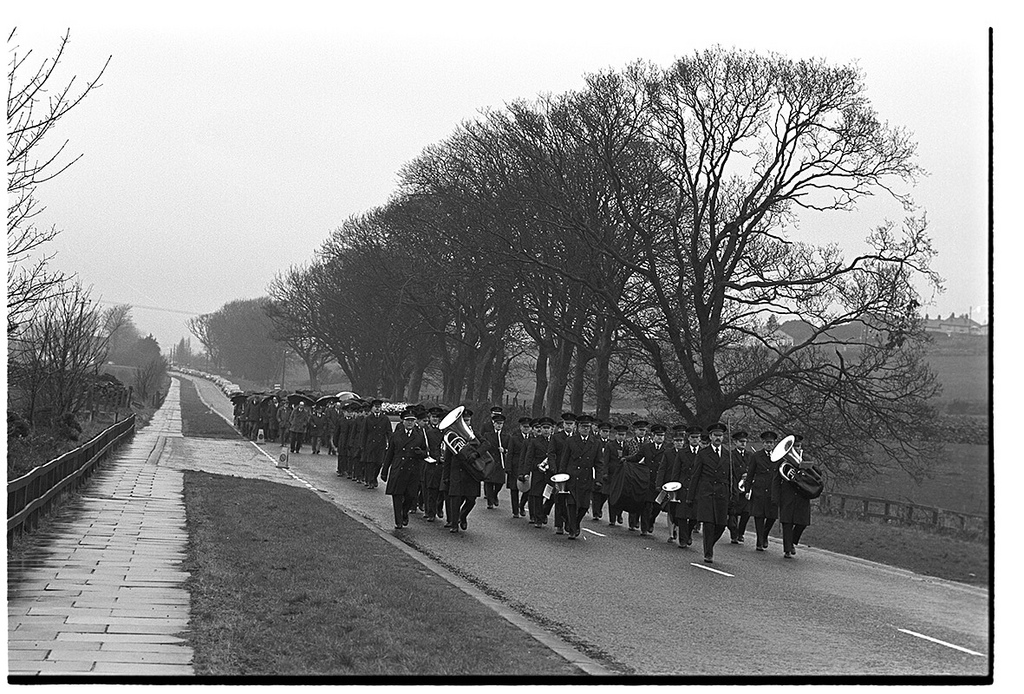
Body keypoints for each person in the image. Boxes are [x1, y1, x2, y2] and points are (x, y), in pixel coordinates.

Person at [686, 423, 731, 563]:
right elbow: (695, 476)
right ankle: (708, 553)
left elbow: (731, 477)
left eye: (720, 436)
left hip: (722, 494)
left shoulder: (727, 454)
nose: (718, 438)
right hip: (707, 493)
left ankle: (709, 544)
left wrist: (732, 495)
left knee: (721, 525)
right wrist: (690, 497)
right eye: (715, 435)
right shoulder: (703, 454)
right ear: (710, 437)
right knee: (709, 524)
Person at [441, 411, 491, 534]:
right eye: (464, 420)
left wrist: (477, 453)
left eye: (467, 420)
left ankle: (463, 516)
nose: (466, 423)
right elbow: (448, 458)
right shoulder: (452, 436)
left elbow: (487, 444)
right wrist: (446, 476)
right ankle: (454, 524)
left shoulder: (475, 434)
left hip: (472, 472)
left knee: (471, 500)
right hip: (456, 471)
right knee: (455, 498)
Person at [556, 414, 606, 539]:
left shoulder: (596, 443)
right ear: (578, 427)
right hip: (572, 477)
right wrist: (561, 479)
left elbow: (599, 463)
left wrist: (599, 479)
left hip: (586, 478)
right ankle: (572, 530)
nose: (585, 429)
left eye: (588, 427)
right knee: (572, 504)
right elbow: (564, 460)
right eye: (583, 427)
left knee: (584, 506)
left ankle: (575, 523)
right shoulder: (570, 441)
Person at [773, 435, 821, 558]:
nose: (796, 449)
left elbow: (818, 474)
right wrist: (776, 497)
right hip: (787, 496)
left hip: (802, 496)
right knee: (787, 522)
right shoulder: (783, 462)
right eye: (794, 447)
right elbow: (776, 480)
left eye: (798, 446)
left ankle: (792, 541)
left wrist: (808, 468)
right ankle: (787, 549)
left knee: (802, 523)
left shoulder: (806, 459)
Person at [381, 410, 427, 529]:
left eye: (412, 420)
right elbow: (389, 454)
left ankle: (404, 512)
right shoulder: (396, 435)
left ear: (415, 421)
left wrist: (420, 453)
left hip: (413, 470)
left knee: (410, 495)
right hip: (398, 468)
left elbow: (426, 453)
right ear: (403, 421)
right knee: (396, 495)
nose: (410, 423)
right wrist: (384, 471)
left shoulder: (419, 435)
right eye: (408, 420)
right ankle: (398, 520)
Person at [744, 430, 780, 551]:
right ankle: (759, 541)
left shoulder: (778, 457)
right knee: (759, 516)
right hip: (759, 490)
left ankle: (765, 535)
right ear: (763, 443)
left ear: (774, 444)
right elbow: (750, 474)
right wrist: (747, 490)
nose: (769, 445)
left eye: (771, 443)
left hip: (773, 491)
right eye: (766, 443)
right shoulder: (756, 456)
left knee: (772, 516)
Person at [543, 413, 576, 534]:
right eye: (566, 424)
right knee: (558, 498)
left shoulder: (576, 438)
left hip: (572, 472)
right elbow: (551, 453)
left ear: (574, 425)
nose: (568, 426)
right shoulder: (556, 437)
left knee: (572, 499)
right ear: (563, 424)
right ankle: (559, 525)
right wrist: (553, 468)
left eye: (571, 424)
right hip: (558, 472)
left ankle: (569, 522)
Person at [520, 417, 554, 527]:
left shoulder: (555, 441)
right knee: (537, 495)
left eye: (548, 428)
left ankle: (544, 512)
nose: (545, 430)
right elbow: (529, 458)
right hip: (538, 472)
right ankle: (538, 518)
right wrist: (526, 472)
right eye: (543, 428)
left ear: (552, 429)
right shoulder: (535, 442)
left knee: (552, 495)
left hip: (551, 472)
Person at [421, 407, 445, 521]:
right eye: (433, 417)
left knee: (441, 490)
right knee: (430, 489)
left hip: (442, 464)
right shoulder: (426, 431)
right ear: (429, 418)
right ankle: (430, 512)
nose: (435, 419)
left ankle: (438, 507)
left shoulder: (444, 431)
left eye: (437, 417)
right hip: (430, 462)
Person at [482, 414, 511, 509]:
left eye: (501, 424)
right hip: (490, 461)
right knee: (489, 482)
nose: (499, 425)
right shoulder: (488, 435)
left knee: (500, 482)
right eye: (497, 423)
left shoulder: (506, 436)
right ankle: (490, 502)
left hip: (500, 462)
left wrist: (504, 450)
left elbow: (510, 449)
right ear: (493, 424)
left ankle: (495, 495)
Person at [728, 430, 751, 543]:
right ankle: (734, 534)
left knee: (746, 512)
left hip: (746, 488)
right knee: (734, 512)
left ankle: (741, 532)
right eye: (741, 441)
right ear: (735, 442)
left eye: (745, 442)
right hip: (735, 487)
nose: (743, 444)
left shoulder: (749, 455)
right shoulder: (731, 455)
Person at [363, 399, 391, 489]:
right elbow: (364, 433)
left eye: (379, 407)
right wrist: (362, 445)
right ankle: (370, 480)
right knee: (370, 463)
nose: (377, 409)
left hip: (381, 444)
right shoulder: (368, 419)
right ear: (372, 408)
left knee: (379, 463)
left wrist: (391, 443)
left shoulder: (385, 419)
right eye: (375, 407)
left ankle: (374, 477)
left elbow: (389, 432)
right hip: (370, 444)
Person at [590, 422, 614, 521]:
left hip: (606, 469)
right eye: (604, 431)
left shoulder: (611, 443)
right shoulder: (595, 441)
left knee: (605, 493)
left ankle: (599, 507)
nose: (606, 433)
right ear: (600, 432)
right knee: (596, 491)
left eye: (607, 431)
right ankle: (596, 512)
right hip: (596, 468)